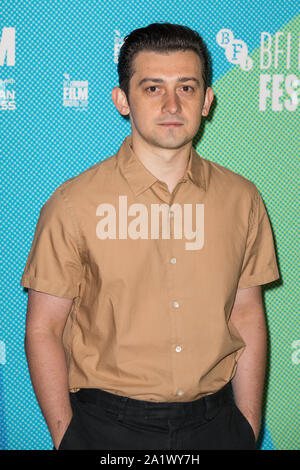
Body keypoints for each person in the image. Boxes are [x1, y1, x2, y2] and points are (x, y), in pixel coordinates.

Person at [21, 23, 280, 450]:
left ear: (208, 100)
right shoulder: (72, 204)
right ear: (123, 100)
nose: (172, 104)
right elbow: (45, 325)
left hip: (217, 427)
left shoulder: (243, 200)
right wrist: (68, 437)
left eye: (187, 87)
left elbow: (247, 314)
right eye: (153, 88)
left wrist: (248, 426)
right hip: (106, 428)